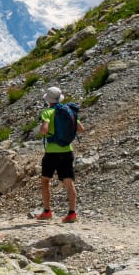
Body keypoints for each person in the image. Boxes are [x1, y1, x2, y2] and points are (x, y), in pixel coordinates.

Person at [36, 86, 84, 223]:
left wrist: (43, 127)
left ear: (48, 100)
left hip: (52, 153)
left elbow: (44, 130)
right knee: (69, 182)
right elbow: (81, 129)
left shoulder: (48, 112)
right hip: (67, 151)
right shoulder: (68, 111)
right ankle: (72, 214)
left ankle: (47, 212)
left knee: (45, 180)